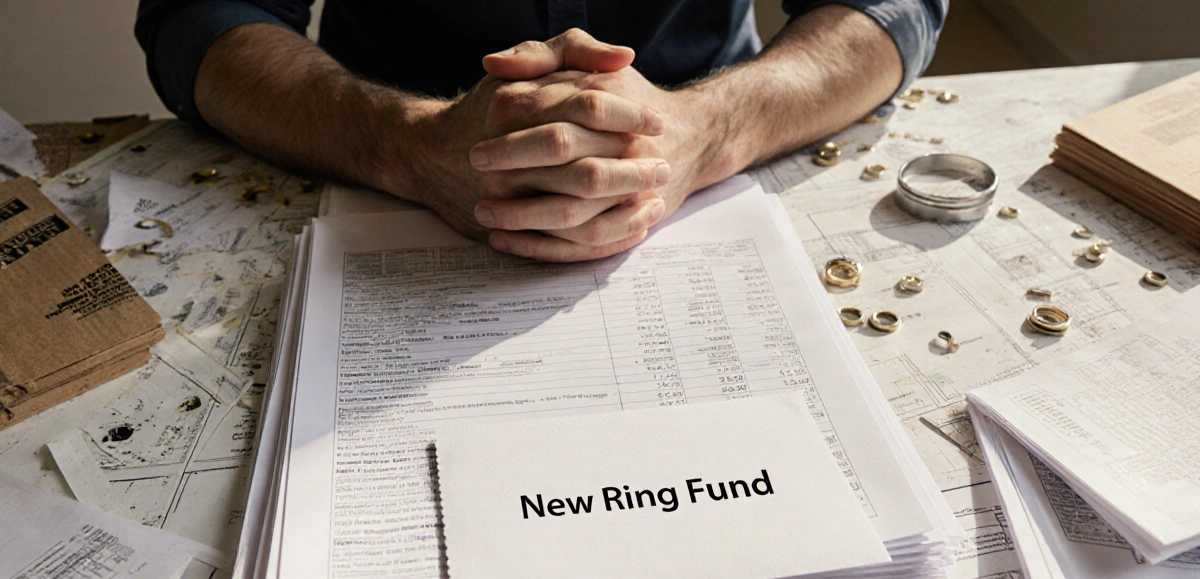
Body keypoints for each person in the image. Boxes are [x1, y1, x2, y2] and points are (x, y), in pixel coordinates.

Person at [135, 0, 946, 262]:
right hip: (368, 165)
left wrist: (704, 128)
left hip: (713, 165)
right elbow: (201, 15)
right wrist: (408, 145)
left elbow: (890, 6)